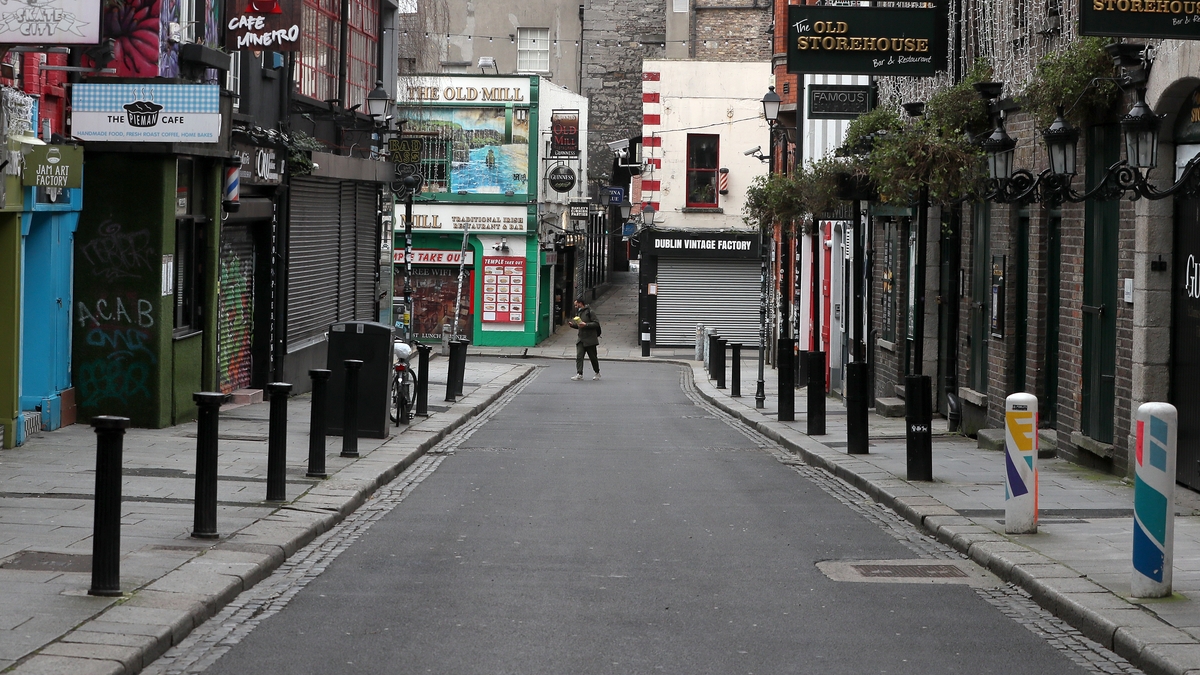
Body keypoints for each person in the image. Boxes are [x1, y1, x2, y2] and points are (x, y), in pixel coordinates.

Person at [568, 297, 601, 381]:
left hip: (590, 339)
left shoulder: (590, 312)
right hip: (581, 338)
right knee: (579, 356)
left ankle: (597, 372)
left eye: (576, 305)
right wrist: (573, 325)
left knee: (593, 357)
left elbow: (596, 323)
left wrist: (586, 325)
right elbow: (580, 326)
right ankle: (579, 373)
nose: (575, 306)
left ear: (580, 303)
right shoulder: (579, 312)